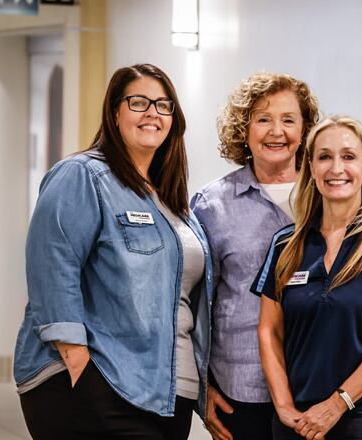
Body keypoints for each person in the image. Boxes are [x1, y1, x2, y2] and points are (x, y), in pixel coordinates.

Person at [13, 63, 213, 440]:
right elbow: (53, 267)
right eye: (139, 102)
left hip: (168, 393)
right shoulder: (83, 175)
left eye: (164, 105)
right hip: (99, 386)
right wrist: (79, 367)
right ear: (115, 112)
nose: (153, 112)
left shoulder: (171, 201)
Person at [252, 115, 362, 440]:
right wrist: (284, 406)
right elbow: (268, 330)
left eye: (348, 156)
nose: (336, 168)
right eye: (325, 157)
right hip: (296, 421)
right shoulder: (286, 244)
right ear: (311, 167)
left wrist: (338, 403)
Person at [191, 73, 319, 440]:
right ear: (243, 129)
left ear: (305, 128)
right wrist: (204, 386)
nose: (276, 131)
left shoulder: (329, 194)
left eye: (288, 119)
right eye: (263, 119)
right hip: (241, 387)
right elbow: (197, 302)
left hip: (317, 384)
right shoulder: (212, 205)